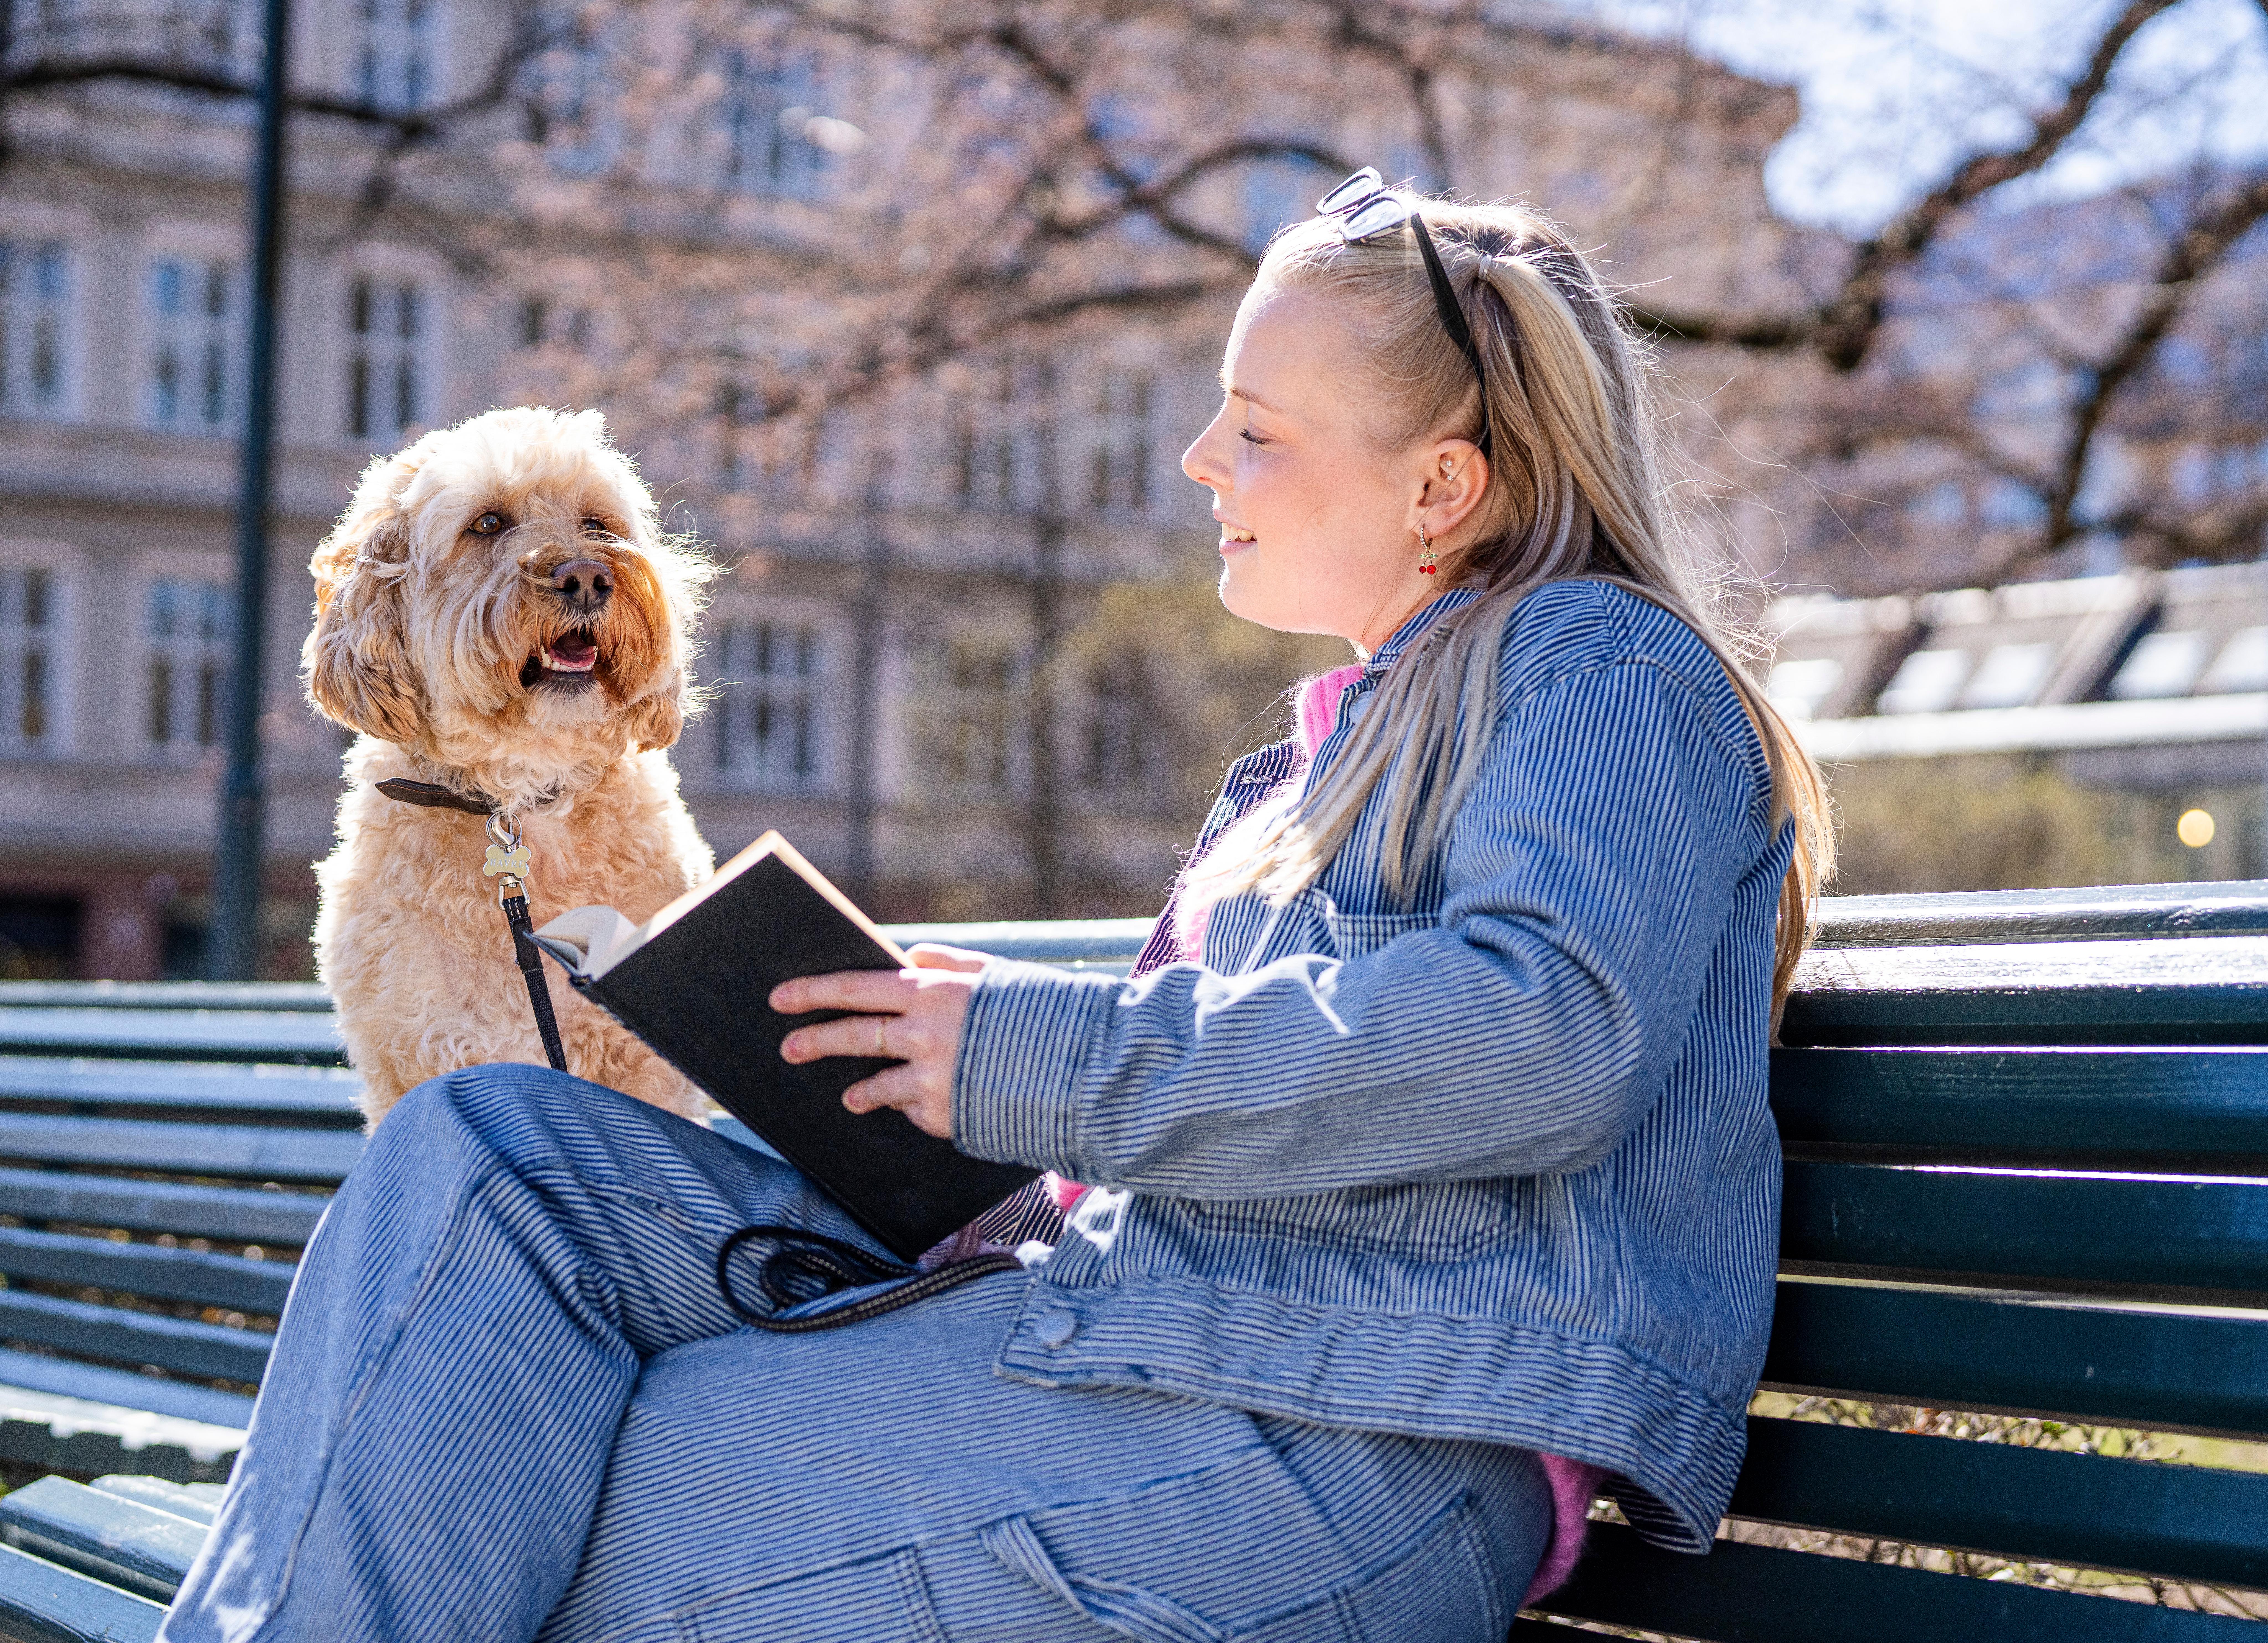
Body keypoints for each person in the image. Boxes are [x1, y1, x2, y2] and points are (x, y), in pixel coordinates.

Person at [156, 173, 1832, 1643]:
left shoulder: (1600, 664)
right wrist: (945, 1078)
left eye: (1255, 426)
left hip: (1354, 1441)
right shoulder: (1304, 774)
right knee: (485, 1162)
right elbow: (1245, 1103)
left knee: (517, 1499)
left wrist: (1036, 1052)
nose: (1198, 458)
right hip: (1133, 1337)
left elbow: (1541, 1035)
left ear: (1442, 489)